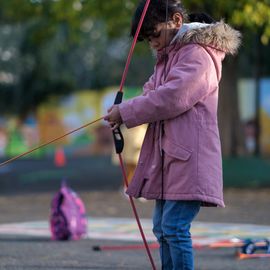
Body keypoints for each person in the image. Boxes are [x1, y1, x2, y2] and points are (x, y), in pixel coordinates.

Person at [105, 1, 241, 269]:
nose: (152, 43)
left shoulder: (199, 54)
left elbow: (173, 97)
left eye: (154, 34)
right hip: (170, 160)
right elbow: (151, 93)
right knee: (162, 227)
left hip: (191, 160)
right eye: (147, 39)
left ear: (177, 21)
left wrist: (127, 111)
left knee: (174, 226)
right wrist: (122, 110)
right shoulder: (169, 57)